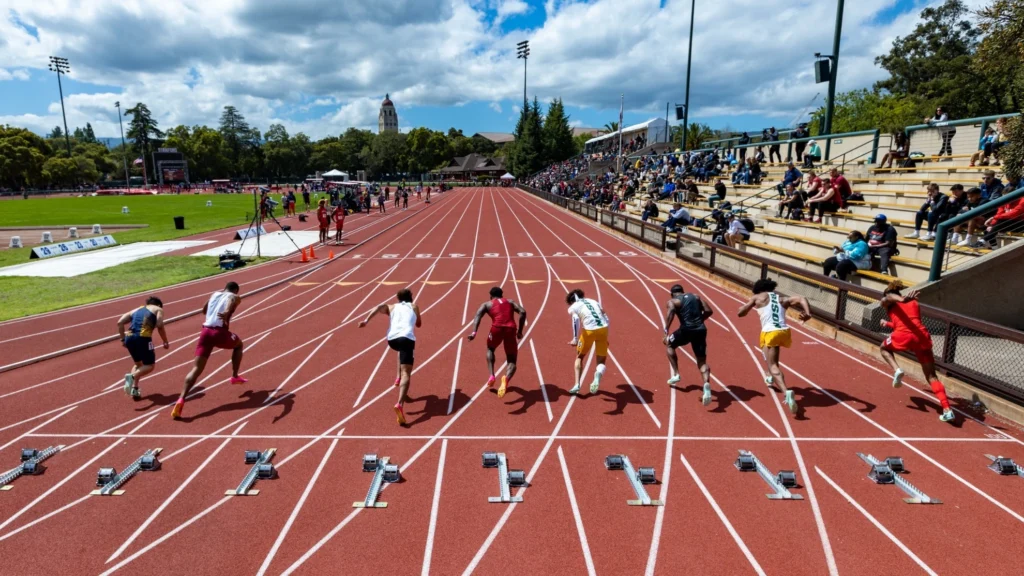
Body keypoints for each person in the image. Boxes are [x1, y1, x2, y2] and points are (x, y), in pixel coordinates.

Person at [879, 282, 954, 423]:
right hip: (921, 337)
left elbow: (886, 299)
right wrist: (887, 323)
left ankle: (897, 370)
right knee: (931, 376)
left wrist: (900, 299)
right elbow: (908, 321)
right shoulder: (914, 302)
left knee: (883, 348)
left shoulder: (889, 302)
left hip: (903, 336)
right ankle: (947, 410)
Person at [173, 282, 247, 420]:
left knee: (196, 368)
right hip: (219, 333)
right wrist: (227, 311)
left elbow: (204, 310)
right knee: (239, 345)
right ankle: (235, 376)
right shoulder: (234, 296)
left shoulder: (214, 294)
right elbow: (231, 299)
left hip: (205, 333)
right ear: (236, 290)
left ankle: (181, 399)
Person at [737, 279, 812, 415]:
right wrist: (807, 313)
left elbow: (741, 313)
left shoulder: (757, 297)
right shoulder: (781, 298)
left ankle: (786, 392)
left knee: (773, 366)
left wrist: (742, 309)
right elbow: (802, 298)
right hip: (783, 331)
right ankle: (770, 377)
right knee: (773, 362)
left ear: (758, 289)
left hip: (769, 332)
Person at [359, 289, 422, 425]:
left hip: (392, 340)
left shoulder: (391, 306)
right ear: (411, 297)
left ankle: (398, 377)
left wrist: (366, 321)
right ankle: (399, 404)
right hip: (406, 339)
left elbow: (377, 307)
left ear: (398, 298)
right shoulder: (414, 306)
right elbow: (419, 324)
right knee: (407, 372)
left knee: (400, 351)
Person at [468, 287, 528, 398]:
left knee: (490, 349)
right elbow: (523, 312)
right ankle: (506, 378)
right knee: (511, 359)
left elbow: (477, 316)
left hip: (497, 329)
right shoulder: (510, 301)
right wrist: (520, 331)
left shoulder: (487, 304)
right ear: (502, 294)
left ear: (490, 295)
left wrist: (474, 332)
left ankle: (491, 375)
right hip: (511, 329)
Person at [663, 284, 714, 405]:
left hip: (686, 330)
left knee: (669, 344)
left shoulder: (673, 302)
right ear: (683, 291)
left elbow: (670, 315)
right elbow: (709, 311)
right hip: (701, 330)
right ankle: (706, 383)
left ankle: (676, 374)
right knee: (702, 361)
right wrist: (700, 320)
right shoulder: (696, 297)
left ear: (672, 294)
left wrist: (666, 332)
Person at [116, 296, 169, 399]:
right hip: (143, 338)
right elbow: (160, 325)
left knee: (138, 364)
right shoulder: (158, 309)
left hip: (129, 338)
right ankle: (131, 377)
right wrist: (165, 341)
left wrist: (122, 339)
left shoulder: (137, 309)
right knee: (150, 365)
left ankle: (134, 389)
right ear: (158, 305)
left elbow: (120, 322)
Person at [566, 289, 609, 395]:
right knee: (601, 361)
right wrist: (606, 333)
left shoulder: (573, 307)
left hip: (589, 331)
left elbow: (575, 319)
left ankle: (577, 384)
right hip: (603, 329)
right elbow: (605, 316)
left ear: (571, 301)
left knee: (580, 357)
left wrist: (575, 338)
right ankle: (598, 374)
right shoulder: (593, 301)